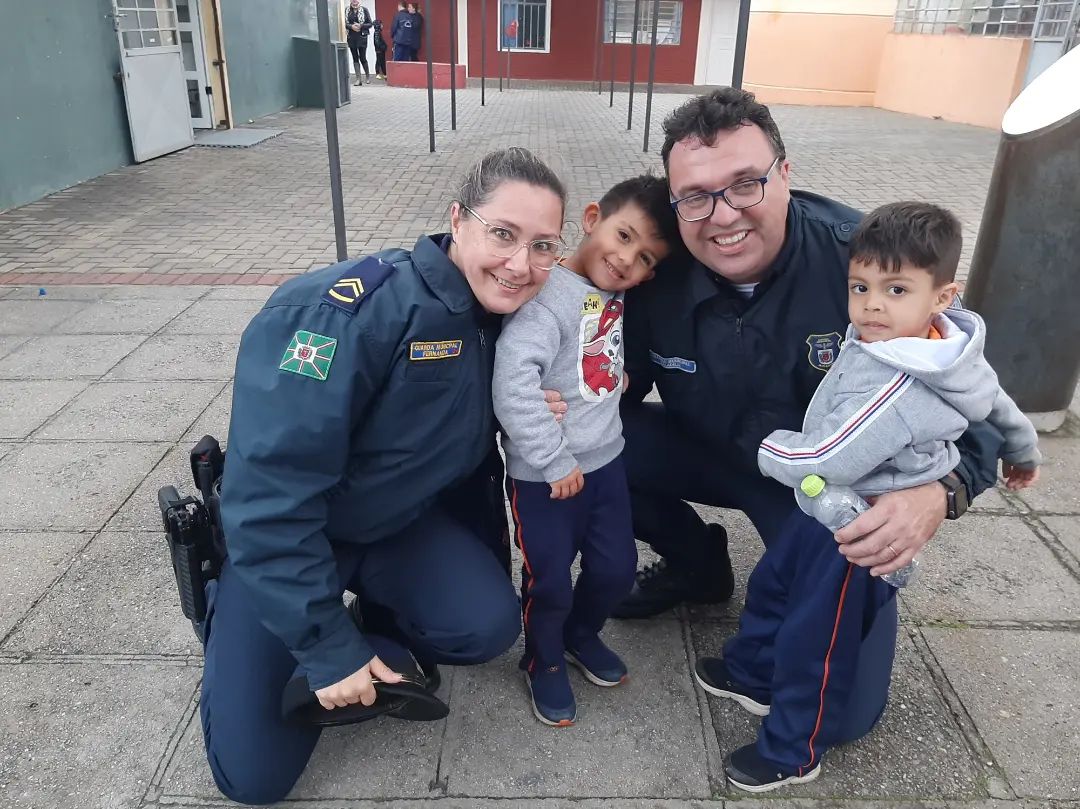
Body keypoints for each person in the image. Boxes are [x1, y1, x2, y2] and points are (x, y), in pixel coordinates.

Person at [613, 88, 1003, 781]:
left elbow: (982, 407)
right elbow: (616, 385)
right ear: (674, 204)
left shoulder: (875, 267)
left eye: (745, 184)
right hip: (711, 451)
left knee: (847, 713)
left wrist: (940, 493)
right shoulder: (654, 272)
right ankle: (697, 566)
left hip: (820, 489)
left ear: (786, 174)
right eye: (695, 196)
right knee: (602, 444)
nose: (723, 214)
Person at [197, 148, 568, 805]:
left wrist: (528, 411)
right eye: (503, 234)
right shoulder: (343, 314)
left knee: (485, 626)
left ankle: (371, 628)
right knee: (253, 779)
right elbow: (270, 500)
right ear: (458, 220)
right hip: (289, 541)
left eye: (544, 245)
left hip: (395, 525)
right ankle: (239, 615)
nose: (522, 264)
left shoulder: (505, 319)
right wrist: (326, 648)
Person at [715, 201, 1041, 791]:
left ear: (942, 296)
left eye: (895, 290)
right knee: (772, 585)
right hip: (827, 507)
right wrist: (1024, 452)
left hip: (855, 530)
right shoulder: (948, 345)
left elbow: (826, 457)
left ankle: (792, 749)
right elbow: (1001, 405)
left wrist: (772, 450)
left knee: (813, 640)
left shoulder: (902, 386)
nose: (871, 305)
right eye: (860, 286)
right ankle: (750, 674)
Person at [493, 176, 679, 727]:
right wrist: (552, 460)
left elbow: (593, 349)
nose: (626, 260)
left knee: (617, 570)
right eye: (623, 236)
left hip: (605, 464)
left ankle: (580, 634)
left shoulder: (614, 293)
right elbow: (513, 384)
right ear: (592, 218)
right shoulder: (545, 299)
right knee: (548, 577)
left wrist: (615, 376)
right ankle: (543, 657)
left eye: (645, 257)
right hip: (545, 476)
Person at [345, 0, 373, 86]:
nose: (354, 3)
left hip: (362, 37)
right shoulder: (347, 10)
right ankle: (358, 79)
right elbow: (344, 23)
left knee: (362, 57)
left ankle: (367, 76)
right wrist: (351, 26)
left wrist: (361, 26)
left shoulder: (364, 10)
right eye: (353, 1)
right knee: (355, 57)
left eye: (356, 1)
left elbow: (370, 23)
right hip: (351, 36)